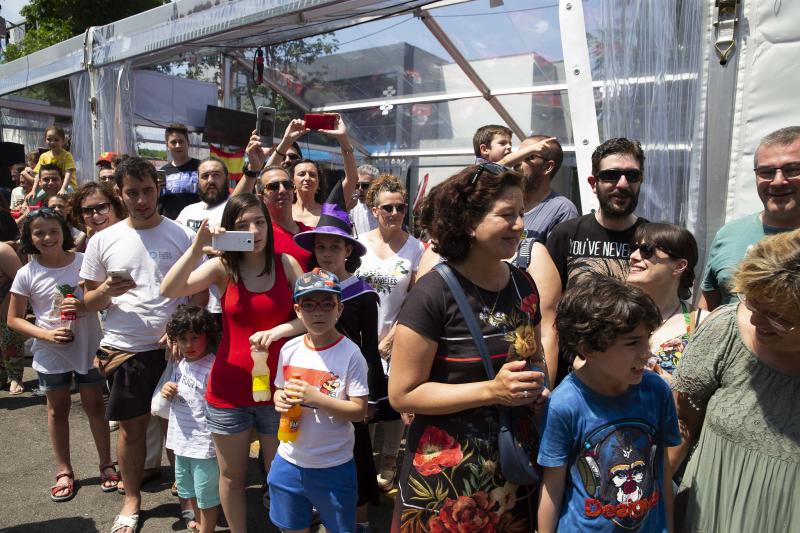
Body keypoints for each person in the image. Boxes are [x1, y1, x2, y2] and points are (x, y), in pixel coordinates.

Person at [388, 164, 547, 531]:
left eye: (521, 213)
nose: (520, 225)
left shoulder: (524, 286)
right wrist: (492, 391)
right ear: (469, 222)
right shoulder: (432, 294)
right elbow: (402, 394)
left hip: (513, 471)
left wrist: (537, 386)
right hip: (446, 481)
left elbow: (533, 358)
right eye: (507, 215)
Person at [160, 193, 304, 533]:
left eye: (259, 222)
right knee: (231, 475)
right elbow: (169, 289)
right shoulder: (222, 267)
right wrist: (198, 246)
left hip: (279, 389)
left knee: (281, 474)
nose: (253, 230)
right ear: (229, 230)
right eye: (242, 225)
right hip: (228, 388)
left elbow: (312, 316)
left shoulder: (286, 265)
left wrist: (282, 328)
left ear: (269, 225)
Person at [80, 156, 196, 533]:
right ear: (120, 194)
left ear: (158, 189)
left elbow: (197, 292)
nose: (142, 199)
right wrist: (105, 291)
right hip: (125, 349)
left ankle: (187, 497)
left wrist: (179, 329)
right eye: (133, 192)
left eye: (148, 191)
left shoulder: (180, 234)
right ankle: (132, 499)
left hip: (176, 351)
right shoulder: (103, 240)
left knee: (181, 428)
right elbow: (87, 302)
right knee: (131, 429)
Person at [670, 229, 800, 532]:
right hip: (708, 513)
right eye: (752, 303)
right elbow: (680, 423)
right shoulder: (726, 329)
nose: (755, 320)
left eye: (778, 316)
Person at [538, 276, 680, 533]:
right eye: (632, 342)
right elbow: (553, 486)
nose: (646, 351)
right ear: (589, 347)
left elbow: (663, 469)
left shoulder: (657, 391)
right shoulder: (564, 405)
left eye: (647, 338)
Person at [294, 183, 383, 532]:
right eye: (321, 246)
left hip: (350, 384)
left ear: (348, 249)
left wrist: (374, 397)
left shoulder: (363, 292)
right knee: (312, 445)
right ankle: (319, 506)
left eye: (335, 246)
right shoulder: (306, 286)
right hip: (312, 378)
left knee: (356, 452)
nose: (327, 253)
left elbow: (371, 348)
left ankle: (358, 521)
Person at [7, 209, 114, 502]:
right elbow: (14, 319)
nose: (47, 237)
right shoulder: (26, 273)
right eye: (39, 232)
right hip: (50, 352)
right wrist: (45, 335)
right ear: (29, 238)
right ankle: (64, 470)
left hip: (88, 345)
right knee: (57, 409)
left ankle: (106, 463)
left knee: (95, 405)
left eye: (53, 230)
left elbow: (103, 297)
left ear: (64, 232)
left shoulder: (84, 263)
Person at [269, 268, 369, 533]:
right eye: (309, 305)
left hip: (333, 464)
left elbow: (359, 411)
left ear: (339, 309)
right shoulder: (289, 349)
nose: (318, 312)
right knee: (291, 527)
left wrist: (317, 397)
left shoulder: (351, 354)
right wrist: (278, 398)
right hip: (288, 459)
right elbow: (279, 390)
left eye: (327, 305)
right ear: (298, 311)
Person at [355, 174, 424, 490]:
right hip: (360, 339)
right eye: (387, 208)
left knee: (395, 405)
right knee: (365, 402)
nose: (394, 213)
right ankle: (363, 462)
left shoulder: (415, 249)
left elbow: (417, 296)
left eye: (400, 207)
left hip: (397, 338)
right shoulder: (358, 245)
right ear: (373, 209)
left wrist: (396, 335)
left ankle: (388, 464)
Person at [700, 125, 800, 310]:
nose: (778, 181)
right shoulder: (730, 233)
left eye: (792, 169)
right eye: (767, 172)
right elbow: (706, 308)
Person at [546, 137, 648, 290]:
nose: (623, 184)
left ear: (640, 180)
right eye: (611, 175)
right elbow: (547, 303)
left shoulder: (653, 239)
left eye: (632, 175)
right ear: (594, 184)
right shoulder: (566, 234)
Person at [162, 305, 221, 533]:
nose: (189, 344)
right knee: (189, 491)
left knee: (207, 495)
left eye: (195, 338)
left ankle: (207, 529)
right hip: (181, 443)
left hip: (204, 445)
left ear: (208, 336)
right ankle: (199, 523)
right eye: (183, 339)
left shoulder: (213, 367)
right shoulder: (182, 363)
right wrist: (168, 389)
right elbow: (179, 394)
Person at [626, 223, 705, 378]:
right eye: (633, 248)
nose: (633, 256)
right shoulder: (612, 313)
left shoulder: (702, 323)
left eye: (646, 250)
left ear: (679, 266)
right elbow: (581, 365)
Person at [515, 135, 579, 244]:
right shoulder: (504, 202)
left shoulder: (562, 210)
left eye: (528, 157)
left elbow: (558, 259)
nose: (517, 163)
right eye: (517, 156)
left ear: (547, 167)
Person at [159, 123, 201, 219]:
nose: (178, 145)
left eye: (181, 141)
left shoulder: (201, 167)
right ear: (167, 145)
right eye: (173, 142)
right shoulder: (162, 172)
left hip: (195, 223)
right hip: (169, 226)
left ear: (188, 143)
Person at [0, 240, 24, 395]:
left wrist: (7, 302)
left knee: (9, 337)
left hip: (7, 298)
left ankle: (15, 377)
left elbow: (21, 278)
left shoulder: (2, 250)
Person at [32, 126, 76, 195]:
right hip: (50, 186)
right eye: (49, 139)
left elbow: (69, 173)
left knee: (69, 197)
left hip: (67, 186)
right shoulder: (44, 156)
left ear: (63, 141)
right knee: (32, 199)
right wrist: (33, 190)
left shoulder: (67, 156)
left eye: (56, 140)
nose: (52, 142)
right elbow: (38, 174)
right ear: (45, 140)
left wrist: (63, 188)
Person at [347, 164, 380, 236]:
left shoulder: (385, 208)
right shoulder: (352, 206)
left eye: (365, 185)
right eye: (357, 185)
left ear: (376, 186)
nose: (360, 189)